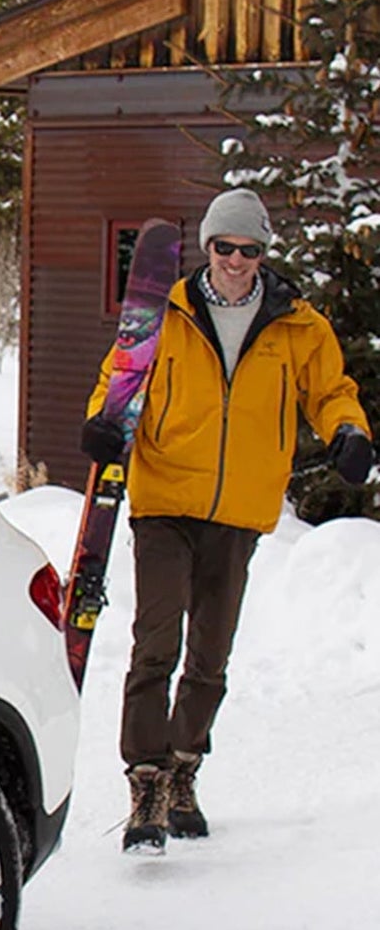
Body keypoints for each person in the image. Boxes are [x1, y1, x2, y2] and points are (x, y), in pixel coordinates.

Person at [80, 189, 373, 852]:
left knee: (211, 655)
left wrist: (348, 431)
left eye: (249, 249)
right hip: (164, 500)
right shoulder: (165, 312)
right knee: (156, 645)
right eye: (224, 247)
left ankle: (184, 769)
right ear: (206, 247)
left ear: (262, 252)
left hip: (239, 508)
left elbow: (331, 391)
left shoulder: (298, 325)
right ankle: (146, 783)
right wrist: (103, 423)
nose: (236, 260)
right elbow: (119, 378)